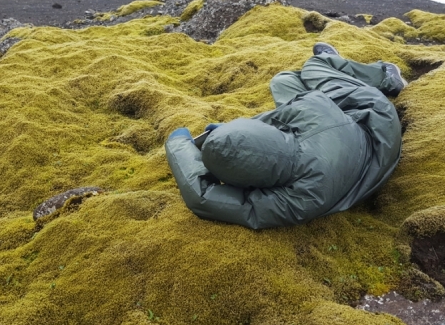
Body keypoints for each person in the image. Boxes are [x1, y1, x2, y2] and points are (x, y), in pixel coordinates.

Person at [165, 43, 406, 229]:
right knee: (309, 68)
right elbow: (274, 117)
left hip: (366, 127)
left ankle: (383, 76)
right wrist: (232, 131)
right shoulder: (310, 110)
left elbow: (203, 198)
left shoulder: (303, 196)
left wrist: (178, 144)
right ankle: (351, 68)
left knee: (286, 80)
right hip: (371, 122)